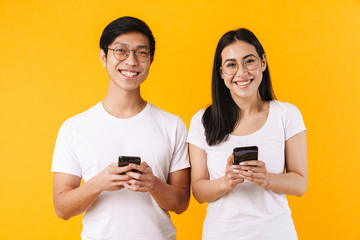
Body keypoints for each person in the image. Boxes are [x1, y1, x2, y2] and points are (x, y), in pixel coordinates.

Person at [51, 16, 190, 240]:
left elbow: (181, 203)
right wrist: (98, 183)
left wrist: (152, 183)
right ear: (103, 57)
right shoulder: (75, 128)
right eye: (121, 51)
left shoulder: (172, 125)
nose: (132, 61)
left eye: (141, 52)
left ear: (151, 59)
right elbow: (62, 208)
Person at [187, 28, 307, 240]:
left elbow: (300, 184)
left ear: (263, 63)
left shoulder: (287, 114)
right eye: (231, 65)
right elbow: (198, 190)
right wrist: (226, 182)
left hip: (276, 233)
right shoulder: (202, 121)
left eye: (249, 61)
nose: (241, 73)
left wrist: (266, 178)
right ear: (221, 72)